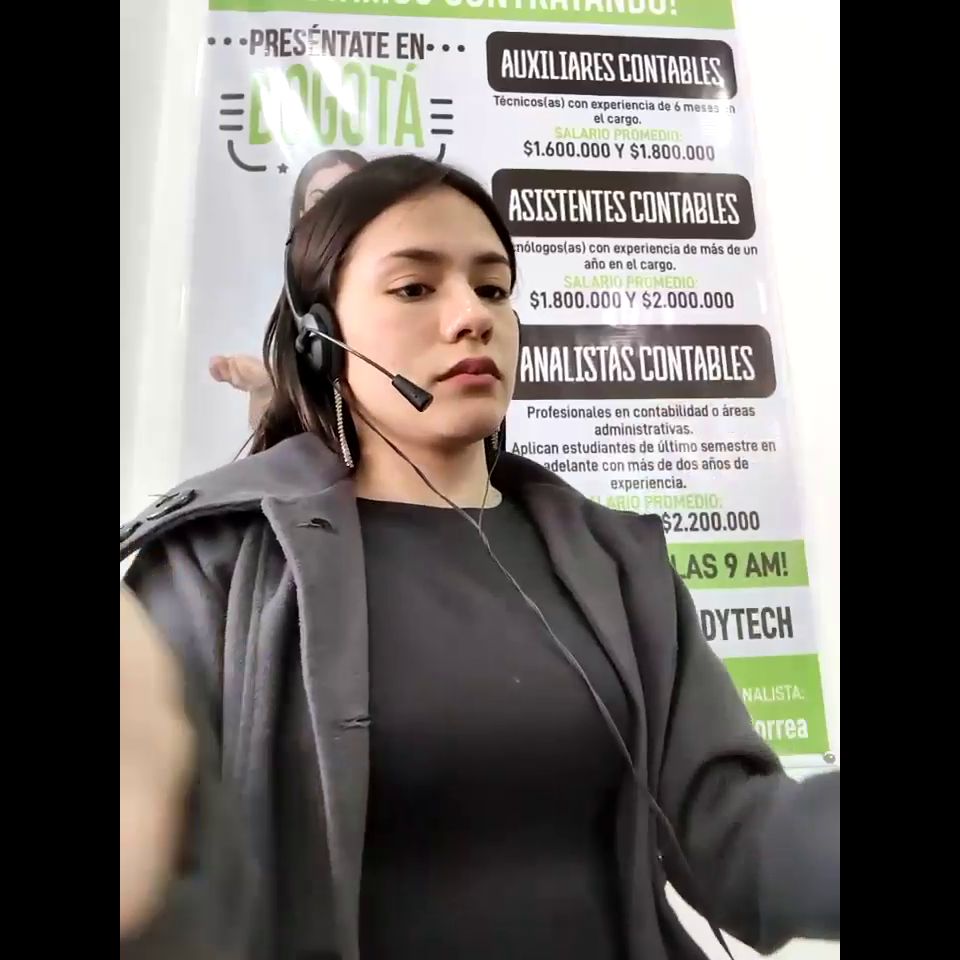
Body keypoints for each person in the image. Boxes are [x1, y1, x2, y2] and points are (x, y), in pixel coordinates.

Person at [119, 155, 840, 960]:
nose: (472, 316)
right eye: (414, 288)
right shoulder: (215, 564)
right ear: (322, 336)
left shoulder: (617, 562)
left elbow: (739, 841)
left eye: (493, 288)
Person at [209, 149, 368, 431]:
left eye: (349, 198)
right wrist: (266, 389)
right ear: (302, 215)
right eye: (321, 200)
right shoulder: (297, 299)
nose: (334, 213)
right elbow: (272, 440)